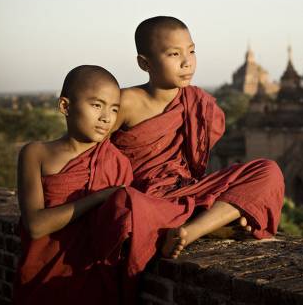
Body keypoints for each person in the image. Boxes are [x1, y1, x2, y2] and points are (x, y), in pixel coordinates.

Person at [111, 16, 285, 260]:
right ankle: (211, 223)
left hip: (188, 190)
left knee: (268, 171)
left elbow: (194, 165)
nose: (187, 62)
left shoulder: (196, 102)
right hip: (144, 198)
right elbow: (91, 156)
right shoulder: (125, 102)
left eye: (191, 51)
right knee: (123, 206)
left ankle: (191, 231)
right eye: (174, 54)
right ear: (144, 63)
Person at [14, 65, 137, 304]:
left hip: (92, 281)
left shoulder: (118, 163)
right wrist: (99, 197)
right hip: (39, 281)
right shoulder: (36, 153)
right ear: (65, 106)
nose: (106, 117)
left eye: (114, 109)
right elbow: (36, 225)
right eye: (96, 105)